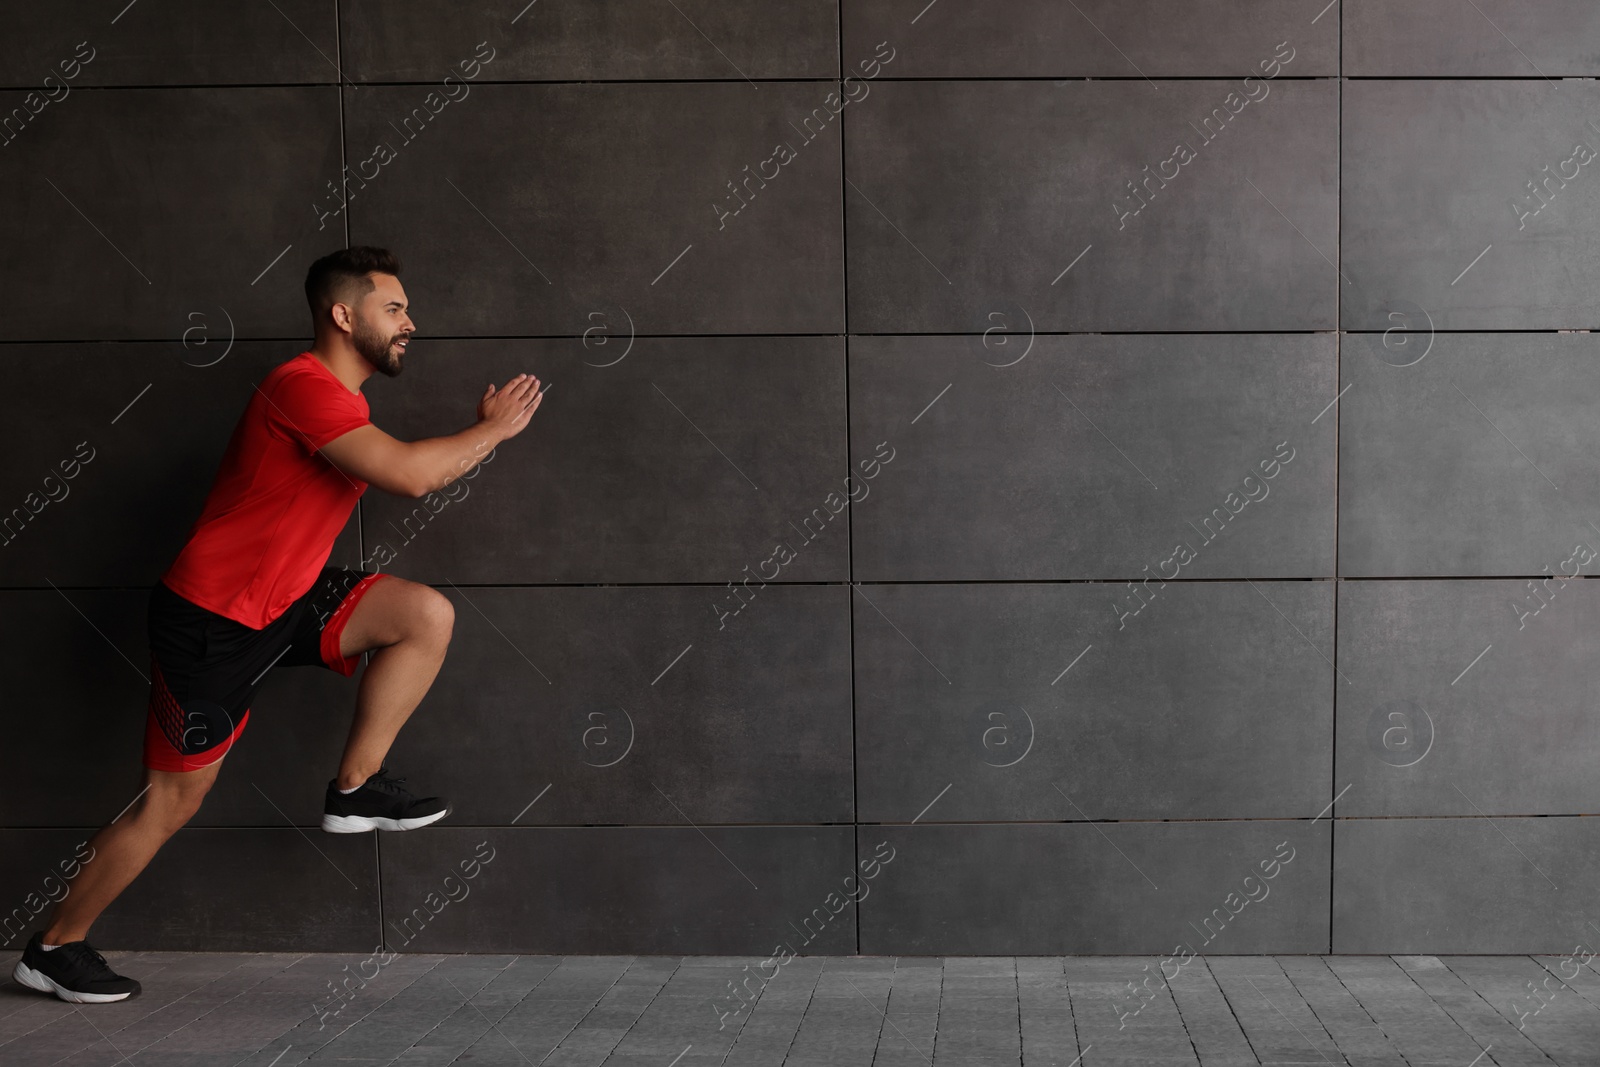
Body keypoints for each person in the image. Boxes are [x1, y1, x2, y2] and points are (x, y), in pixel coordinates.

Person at [11, 247, 543, 1004]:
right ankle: (53, 948)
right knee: (171, 802)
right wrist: (494, 429)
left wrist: (482, 436)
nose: (409, 323)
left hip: (284, 599)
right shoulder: (301, 388)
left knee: (424, 613)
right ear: (342, 313)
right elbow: (414, 475)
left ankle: (355, 788)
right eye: (394, 308)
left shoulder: (345, 403)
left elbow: (413, 471)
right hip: (210, 622)